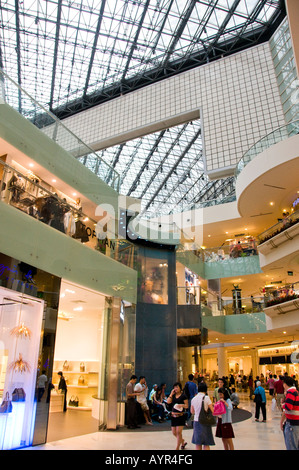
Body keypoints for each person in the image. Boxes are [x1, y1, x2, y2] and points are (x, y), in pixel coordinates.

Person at [191, 382, 215, 450]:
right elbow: (212, 410)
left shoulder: (194, 399)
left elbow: (192, 411)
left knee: (198, 443)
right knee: (206, 443)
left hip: (196, 421)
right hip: (205, 422)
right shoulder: (206, 398)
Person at [167, 382, 188, 450]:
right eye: (174, 387)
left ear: (180, 388)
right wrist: (171, 394)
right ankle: (182, 441)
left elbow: (187, 406)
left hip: (181, 416)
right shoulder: (173, 396)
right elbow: (168, 402)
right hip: (173, 416)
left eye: (177, 387)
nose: (175, 389)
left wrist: (181, 405)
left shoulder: (183, 396)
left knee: (179, 432)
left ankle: (177, 447)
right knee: (174, 432)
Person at [280, 376, 299, 450]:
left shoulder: (290, 392)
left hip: (292, 424)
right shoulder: (295, 392)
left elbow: (288, 407)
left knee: (291, 446)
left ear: (285, 384)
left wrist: (283, 405)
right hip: (295, 423)